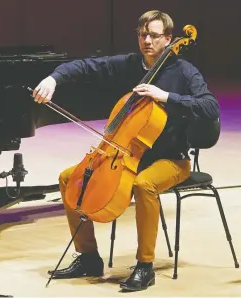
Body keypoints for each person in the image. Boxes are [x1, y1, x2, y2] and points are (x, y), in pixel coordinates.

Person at [32, 10, 220, 292]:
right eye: (142, 34)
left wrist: (166, 97)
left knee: (144, 185)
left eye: (154, 36)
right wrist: (54, 78)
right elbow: (86, 66)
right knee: (70, 178)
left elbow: (210, 107)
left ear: (169, 39)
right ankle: (88, 258)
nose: (146, 40)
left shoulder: (184, 71)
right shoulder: (130, 64)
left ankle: (145, 266)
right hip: (126, 157)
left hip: (171, 159)